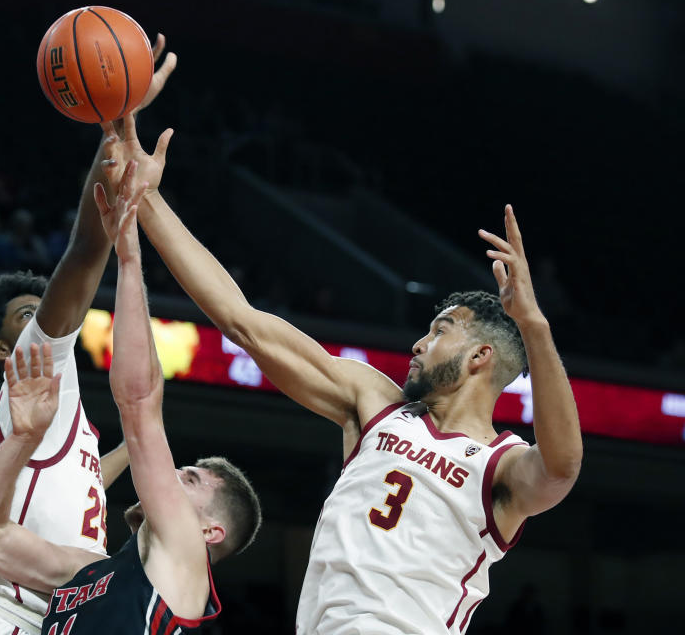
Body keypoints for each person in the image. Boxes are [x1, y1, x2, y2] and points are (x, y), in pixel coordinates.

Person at [98, 115, 584, 634]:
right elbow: (245, 324)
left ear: (480, 357)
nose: (419, 343)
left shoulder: (501, 467)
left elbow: (561, 467)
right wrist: (144, 200)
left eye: (440, 331)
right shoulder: (376, 403)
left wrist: (533, 325)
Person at [0, 168, 261, 634]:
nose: (173, 471)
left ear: (208, 534)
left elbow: (139, 403)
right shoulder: (94, 571)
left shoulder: (181, 568)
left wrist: (130, 261)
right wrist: (26, 436)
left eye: (190, 478)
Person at [0, 36, 178, 635]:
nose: (44, 319)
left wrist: (145, 444)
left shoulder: (56, 425)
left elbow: (84, 480)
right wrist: (116, 130)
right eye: (27, 315)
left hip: (55, 620)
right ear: (2, 350)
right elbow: (80, 255)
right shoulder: (35, 369)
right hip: (2, 615)